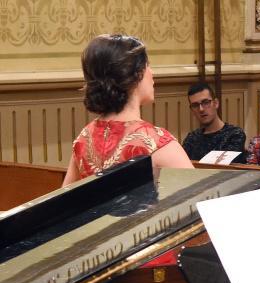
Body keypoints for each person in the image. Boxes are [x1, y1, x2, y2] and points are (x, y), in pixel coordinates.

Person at [62, 34, 193, 185]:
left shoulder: (84, 139)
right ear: (136, 74)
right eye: (147, 65)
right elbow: (201, 199)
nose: (152, 73)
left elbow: (64, 203)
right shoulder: (155, 143)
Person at [181, 81, 246, 161]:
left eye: (205, 102)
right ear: (192, 110)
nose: (201, 109)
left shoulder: (234, 135)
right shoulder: (191, 139)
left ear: (216, 103)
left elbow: (224, 168)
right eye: (195, 105)